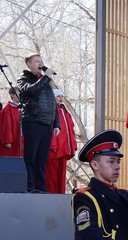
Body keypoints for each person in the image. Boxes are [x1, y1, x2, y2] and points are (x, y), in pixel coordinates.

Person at [16, 53, 60, 192]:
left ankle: (41, 187)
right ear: (29, 64)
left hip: (46, 123)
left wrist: (56, 124)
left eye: (41, 61)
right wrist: (46, 76)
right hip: (32, 121)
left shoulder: (45, 81)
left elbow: (53, 103)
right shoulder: (23, 79)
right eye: (36, 61)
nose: (40, 64)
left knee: (42, 159)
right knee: (31, 157)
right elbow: (32, 90)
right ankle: (29, 186)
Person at [45, 89, 77, 193]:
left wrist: (73, 145)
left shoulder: (64, 111)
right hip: (54, 149)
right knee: (52, 175)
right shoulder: (51, 110)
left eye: (62, 97)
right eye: (58, 96)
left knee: (61, 174)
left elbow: (71, 128)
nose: (61, 98)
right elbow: (51, 129)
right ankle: (52, 195)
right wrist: (52, 145)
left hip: (64, 148)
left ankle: (60, 194)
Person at [0, 87, 22, 157]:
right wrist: (7, 141)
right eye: (18, 93)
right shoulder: (7, 109)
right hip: (12, 142)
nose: (20, 95)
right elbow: (6, 126)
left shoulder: (21, 109)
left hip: (20, 140)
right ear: (12, 95)